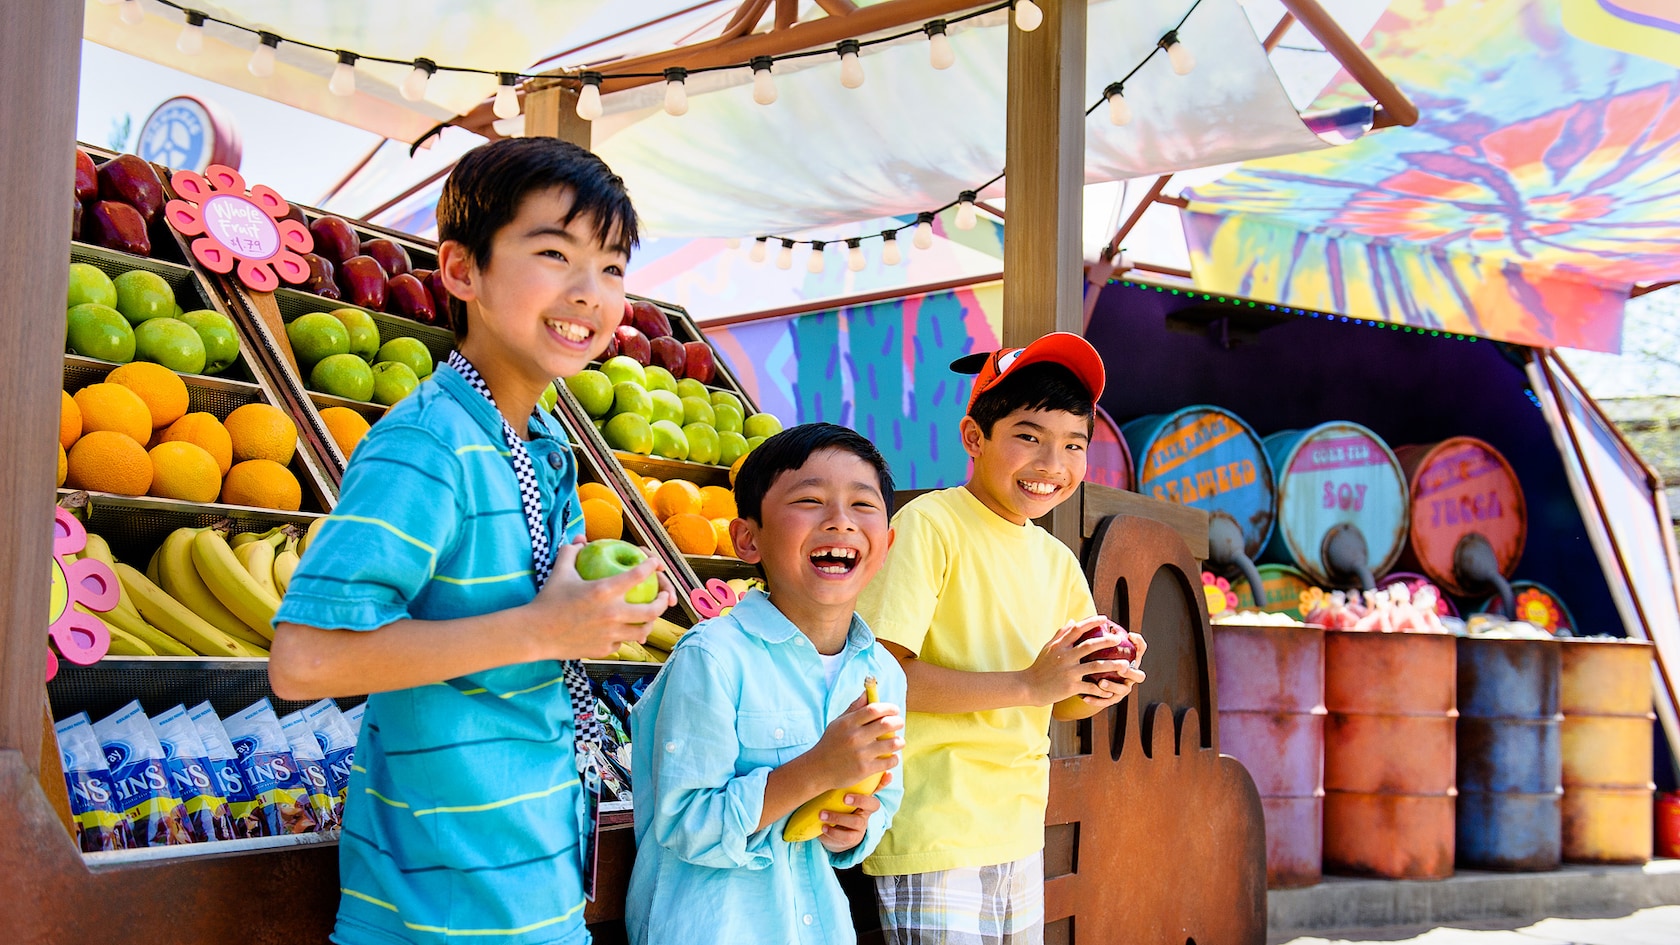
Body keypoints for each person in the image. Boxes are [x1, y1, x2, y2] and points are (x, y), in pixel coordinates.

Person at [269, 137, 675, 945]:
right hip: (435, 918)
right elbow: (304, 658)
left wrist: (589, 620)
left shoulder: (544, 445)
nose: (589, 292)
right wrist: (545, 629)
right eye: (555, 253)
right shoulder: (427, 445)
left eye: (613, 268)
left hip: (531, 891)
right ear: (461, 271)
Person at [857, 332, 1148, 945]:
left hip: (1017, 828)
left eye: (1074, 444)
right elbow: (884, 678)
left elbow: (1059, 701)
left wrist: (1098, 682)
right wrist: (1029, 682)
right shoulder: (930, 524)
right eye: (1028, 436)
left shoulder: (1057, 560)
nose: (1052, 464)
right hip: (932, 827)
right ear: (973, 438)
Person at [626, 423, 908, 945]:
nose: (840, 521)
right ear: (747, 539)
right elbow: (686, 823)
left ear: (886, 545)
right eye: (810, 500)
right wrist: (814, 770)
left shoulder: (882, 673)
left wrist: (858, 828)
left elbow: (884, 799)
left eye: (862, 505)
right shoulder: (712, 657)